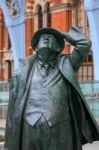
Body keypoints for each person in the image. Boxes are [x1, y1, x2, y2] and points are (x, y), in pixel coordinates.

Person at [5, 27, 99, 150]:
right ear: (36, 47)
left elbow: (85, 44)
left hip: (61, 128)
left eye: (52, 38)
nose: (47, 38)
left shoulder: (68, 63)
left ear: (58, 48)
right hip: (29, 129)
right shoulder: (21, 72)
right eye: (43, 38)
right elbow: (12, 108)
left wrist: (64, 35)